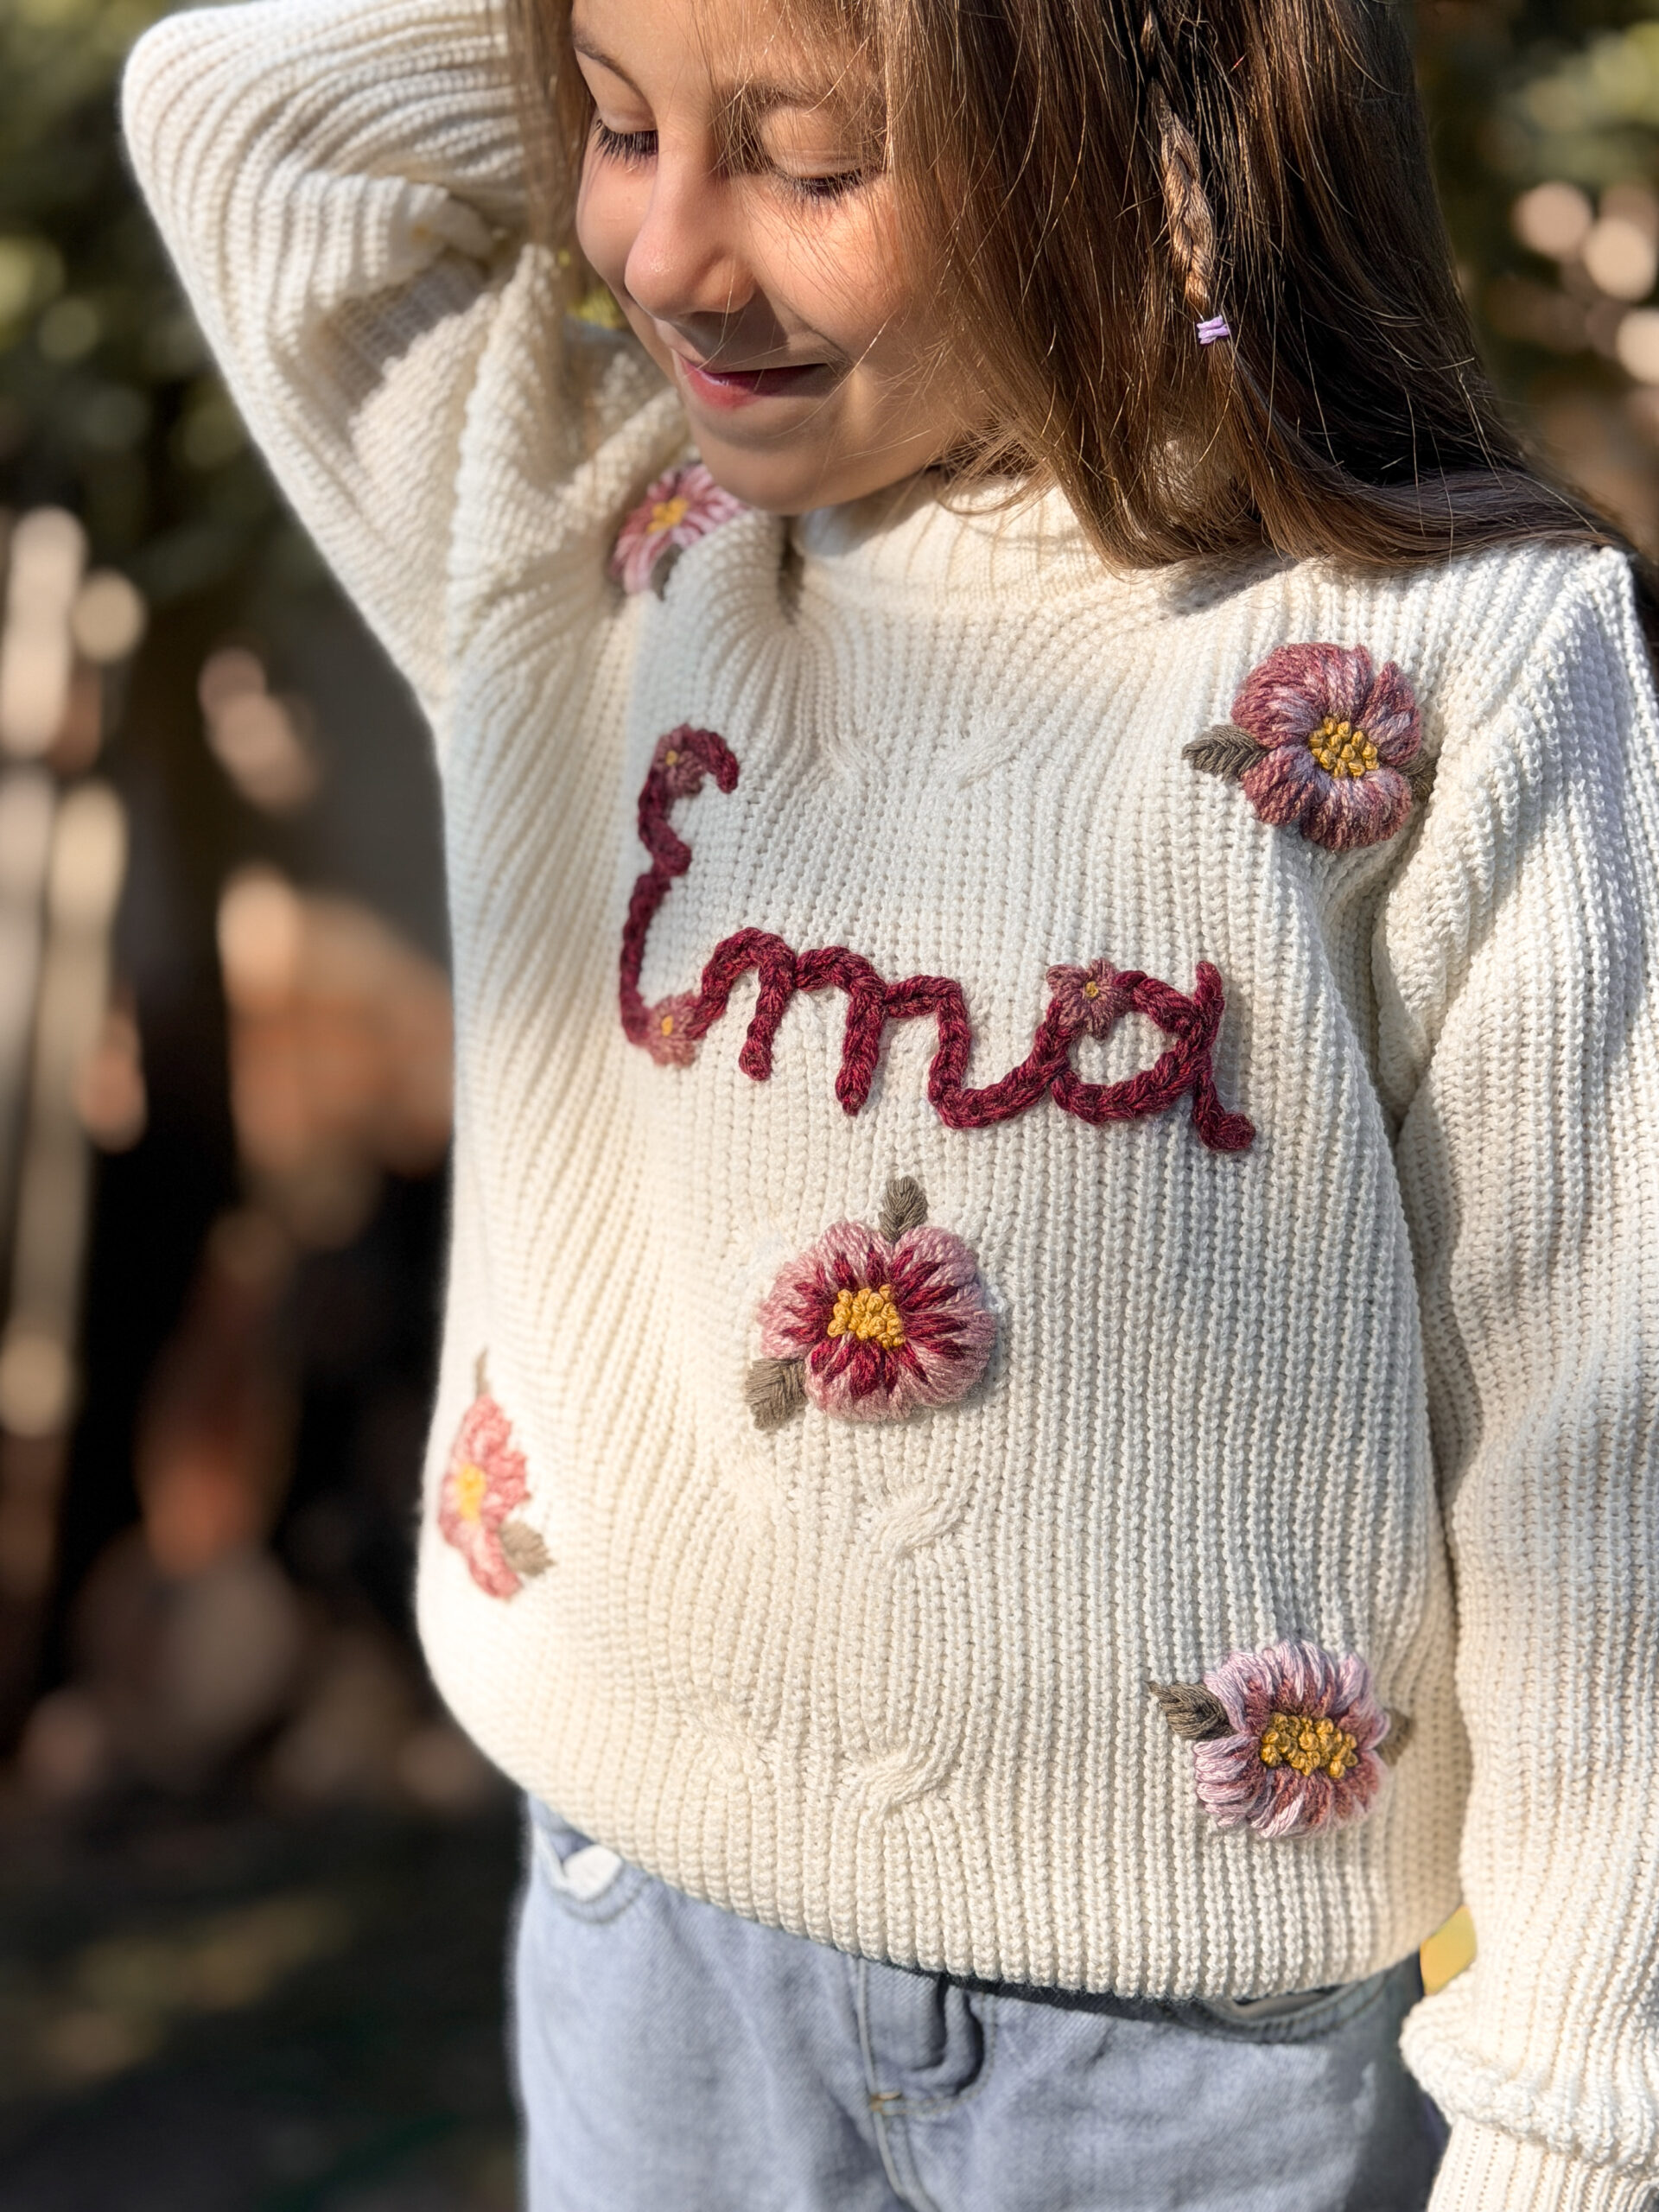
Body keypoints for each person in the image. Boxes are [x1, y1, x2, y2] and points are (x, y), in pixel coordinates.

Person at [122, 0, 1659, 2199]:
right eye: (612, 125)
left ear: (1139, 121)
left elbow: (1602, 1446)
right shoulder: (601, 546)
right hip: (644, 1951)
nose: (662, 255)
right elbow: (240, 114)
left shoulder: (1451, 661)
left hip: (1189, 2071)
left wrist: (1574, 2130)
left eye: (812, 159)